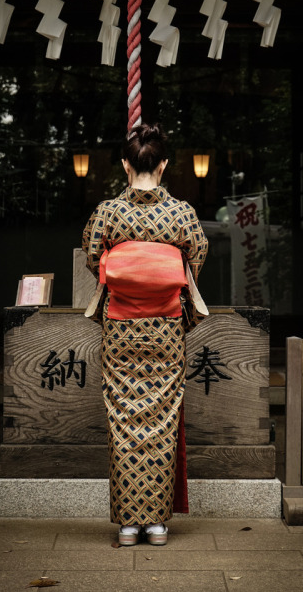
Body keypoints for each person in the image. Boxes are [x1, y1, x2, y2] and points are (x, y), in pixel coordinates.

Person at [81, 122, 209, 547]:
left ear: (124, 165)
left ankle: (127, 525)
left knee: (123, 420)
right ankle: (155, 523)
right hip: (166, 329)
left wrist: (127, 272)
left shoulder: (108, 212)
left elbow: (93, 256)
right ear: (165, 164)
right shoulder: (182, 213)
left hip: (120, 328)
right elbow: (198, 256)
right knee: (162, 418)